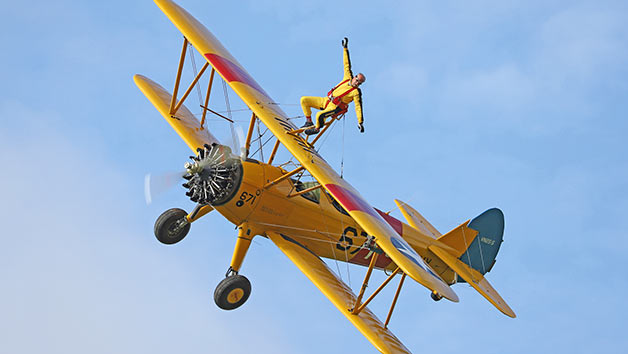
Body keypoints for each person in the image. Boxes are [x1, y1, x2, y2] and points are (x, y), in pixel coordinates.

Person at [300, 37, 365, 135]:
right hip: (326, 100)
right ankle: (308, 122)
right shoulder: (348, 77)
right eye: (357, 80)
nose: (357, 83)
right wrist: (345, 49)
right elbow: (346, 64)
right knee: (304, 100)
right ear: (355, 77)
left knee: (319, 115)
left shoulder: (356, 92)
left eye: (359, 83)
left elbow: (358, 107)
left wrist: (360, 122)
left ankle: (316, 129)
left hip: (334, 108)